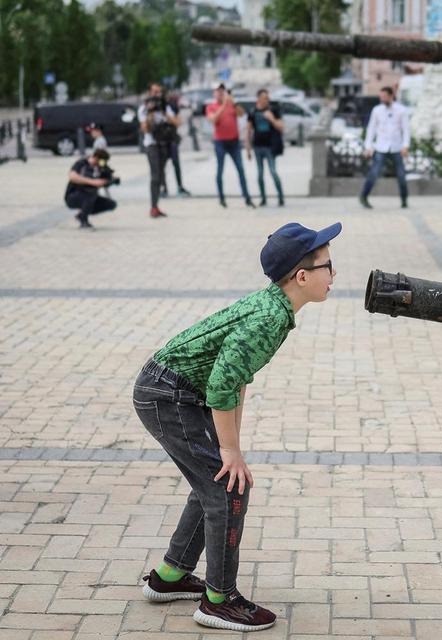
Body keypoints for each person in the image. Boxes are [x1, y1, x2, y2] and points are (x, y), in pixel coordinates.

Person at [135, 220, 341, 632]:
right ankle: (219, 601)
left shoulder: (275, 307)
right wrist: (230, 452)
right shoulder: (268, 318)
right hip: (166, 395)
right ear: (302, 277)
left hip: (175, 393)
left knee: (219, 480)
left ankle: (170, 576)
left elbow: (235, 378)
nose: (334, 275)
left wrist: (231, 447)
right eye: (328, 267)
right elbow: (222, 384)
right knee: (229, 489)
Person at [360, 86, 409, 209]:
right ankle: (364, 196)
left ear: (391, 95)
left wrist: (405, 146)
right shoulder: (377, 110)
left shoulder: (401, 110)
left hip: (396, 147)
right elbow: (371, 129)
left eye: (384, 96)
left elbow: (406, 130)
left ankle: (404, 200)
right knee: (374, 172)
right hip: (381, 146)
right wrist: (368, 146)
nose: (382, 99)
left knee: (401, 175)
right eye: (381, 96)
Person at [206, 82, 255, 208]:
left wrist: (233, 102)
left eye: (223, 91)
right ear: (214, 93)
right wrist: (223, 105)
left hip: (234, 141)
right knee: (220, 170)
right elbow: (213, 119)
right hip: (220, 142)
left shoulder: (231, 105)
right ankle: (221, 198)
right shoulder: (211, 106)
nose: (221, 93)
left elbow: (241, 114)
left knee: (241, 170)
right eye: (218, 91)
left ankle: (247, 197)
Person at [138, 82, 180, 218]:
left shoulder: (165, 107)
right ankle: (153, 207)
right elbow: (145, 129)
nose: (158, 94)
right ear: (150, 93)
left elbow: (177, 122)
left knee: (160, 175)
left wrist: (163, 112)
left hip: (164, 143)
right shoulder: (143, 108)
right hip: (152, 145)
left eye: (159, 92)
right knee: (155, 176)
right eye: (155, 92)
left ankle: (156, 203)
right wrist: (150, 113)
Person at [246, 89, 285, 207]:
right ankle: (263, 198)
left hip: (270, 146)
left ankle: (281, 197)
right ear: (258, 99)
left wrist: (271, 119)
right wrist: (248, 148)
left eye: (268, 98)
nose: (267, 100)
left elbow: (281, 127)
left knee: (273, 172)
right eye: (264, 98)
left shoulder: (273, 110)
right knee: (260, 174)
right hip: (257, 146)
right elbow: (248, 131)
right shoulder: (253, 112)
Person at [65, 148, 116, 230]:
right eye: (101, 161)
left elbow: (106, 178)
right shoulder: (82, 164)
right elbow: (72, 176)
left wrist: (109, 181)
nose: (101, 163)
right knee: (90, 194)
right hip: (73, 195)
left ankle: (82, 214)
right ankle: (83, 221)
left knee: (111, 204)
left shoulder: (100, 168)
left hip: (90, 196)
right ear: (96, 157)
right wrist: (93, 182)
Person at [161, 91, 191, 198]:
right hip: (161, 140)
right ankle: (164, 188)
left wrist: (167, 116)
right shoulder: (154, 108)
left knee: (176, 164)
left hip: (172, 138)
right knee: (161, 166)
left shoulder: (172, 107)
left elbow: (178, 122)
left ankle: (180, 186)